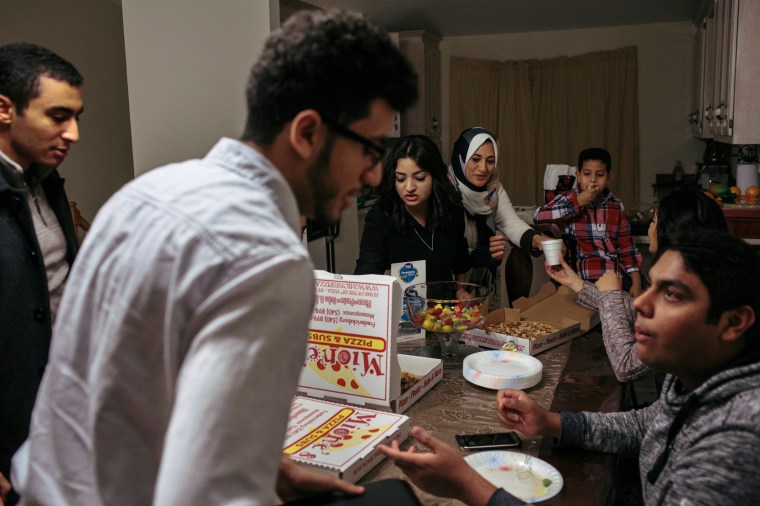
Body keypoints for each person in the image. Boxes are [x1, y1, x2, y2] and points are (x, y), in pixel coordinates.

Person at [12, 10, 418, 506]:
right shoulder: (269, 261)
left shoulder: (146, 192)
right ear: (308, 133)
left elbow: (129, 386)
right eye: (370, 150)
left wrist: (265, 469)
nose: (375, 176)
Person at [381, 230, 760, 505]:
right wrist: (553, 423)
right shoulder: (696, 379)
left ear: (734, 323)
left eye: (672, 294)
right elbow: (648, 425)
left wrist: (469, 486)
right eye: (650, 287)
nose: (641, 304)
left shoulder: (736, 440)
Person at [0, 42, 83, 502]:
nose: (72, 133)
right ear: (5, 109)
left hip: (54, 417)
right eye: (57, 116)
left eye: (76, 117)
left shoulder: (45, 183)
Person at [547, 186, 728, 382]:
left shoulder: (693, 307)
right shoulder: (698, 283)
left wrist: (611, 294)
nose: (650, 229)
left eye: (654, 222)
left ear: (670, 233)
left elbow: (626, 365)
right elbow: (637, 310)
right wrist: (576, 283)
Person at [355, 135, 471, 286]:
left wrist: (460, 289)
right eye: (401, 179)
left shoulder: (451, 209)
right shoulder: (381, 217)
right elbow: (365, 277)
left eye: (420, 178)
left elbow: (460, 257)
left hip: (445, 306)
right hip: (404, 307)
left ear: (435, 177)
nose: (409, 187)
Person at [448, 127, 552, 289]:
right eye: (475, 159)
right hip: (449, 283)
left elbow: (510, 223)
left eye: (490, 161)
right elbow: (446, 248)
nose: (483, 168)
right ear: (461, 156)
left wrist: (536, 239)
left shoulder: (493, 188)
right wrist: (481, 255)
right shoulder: (445, 189)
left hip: (482, 281)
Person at [533, 147, 643, 297]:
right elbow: (539, 216)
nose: (592, 180)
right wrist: (577, 202)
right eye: (586, 174)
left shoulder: (615, 206)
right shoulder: (568, 199)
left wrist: (636, 283)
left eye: (600, 175)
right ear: (578, 175)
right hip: (582, 277)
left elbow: (627, 248)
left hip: (614, 277)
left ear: (608, 177)